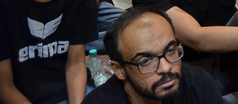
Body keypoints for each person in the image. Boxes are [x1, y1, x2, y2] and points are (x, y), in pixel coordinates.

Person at [83, 6, 225, 104]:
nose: (166, 67)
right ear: (119, 70)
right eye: (145, 61)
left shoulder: (198, 84)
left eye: (170, 51)